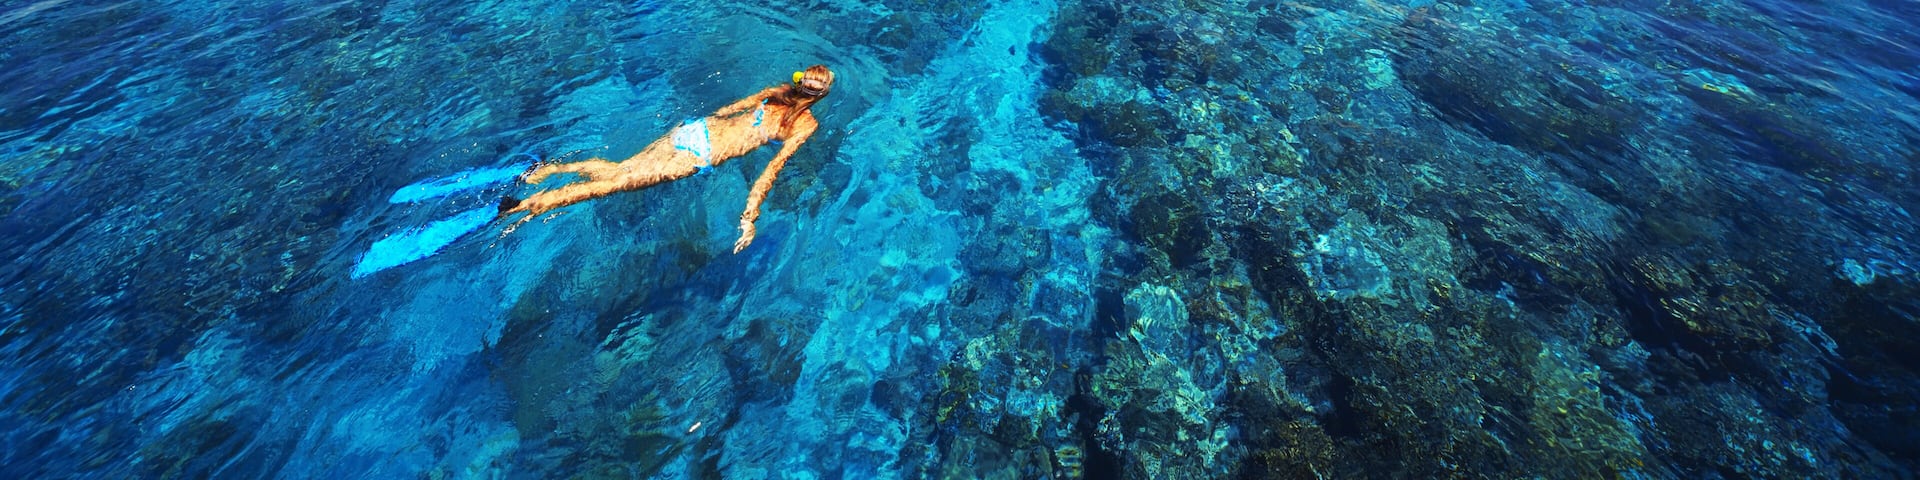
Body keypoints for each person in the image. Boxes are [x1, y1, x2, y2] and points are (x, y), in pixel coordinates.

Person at [499, 65, 836, 253]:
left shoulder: (776, 90)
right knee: (615, 184)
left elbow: (727, 111)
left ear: (798, 81)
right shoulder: (805, 125)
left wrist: (713, 127)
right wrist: (750, 216)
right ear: (821, 96)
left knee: (623, 168)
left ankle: (549, 170)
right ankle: (524, 206)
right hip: (699, 155)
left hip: (694, 131)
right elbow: (771, 170)